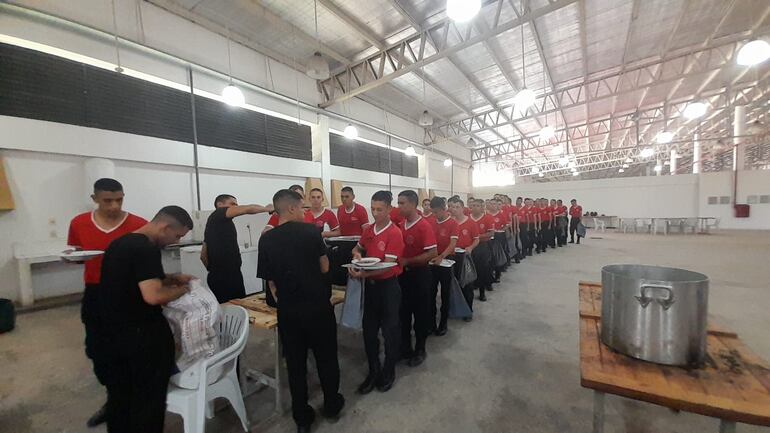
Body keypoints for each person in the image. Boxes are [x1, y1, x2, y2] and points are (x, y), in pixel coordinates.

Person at [96, 206, 195, 433]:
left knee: (121, 397)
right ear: (165, 226)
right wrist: (183, 290)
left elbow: (136, 279)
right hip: (142, 338)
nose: (175, 241)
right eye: (177, 235)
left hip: (113, 336)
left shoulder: (119, 244)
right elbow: (153, 295)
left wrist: (171, 278)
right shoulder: (146, 248)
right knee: (148, 401)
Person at [257, 190, 344, 433]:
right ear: (293, 208)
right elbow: (325, 266)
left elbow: (270, 282)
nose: (306, 211)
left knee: (295, 364)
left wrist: (284, 300)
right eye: (303, 208)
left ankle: (302, 417)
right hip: (317, 307)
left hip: (288, 312)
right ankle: (331, 405)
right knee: (326, 357)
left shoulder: (266, 239)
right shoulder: (311, 232)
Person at [66, 178, 147, 428]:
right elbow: (75, 252)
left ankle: (124, 402)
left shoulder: (138, 224)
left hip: (129, 293)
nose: (114, 206)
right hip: (96, 292)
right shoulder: (79, 223)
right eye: (107, 201)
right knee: (97, 350)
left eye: (119, 200)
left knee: (130, 350)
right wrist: (72, 258)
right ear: (95, 199)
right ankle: (114, 397)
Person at [349, 191, 404, 394]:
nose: (375, 213)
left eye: (380, 209)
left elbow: (388, 266)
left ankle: (388, 371)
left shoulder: (394, 233)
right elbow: (359, 247)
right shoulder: (370, 229)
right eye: (372, 209)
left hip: (388, 287)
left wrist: (361, 274)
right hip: (371, 287)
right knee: (369, 332)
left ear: (389, 209)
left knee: (390, 331)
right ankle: (373, 371)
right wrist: (356, 254)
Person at [201, 194, 272, 303]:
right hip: (225, 278)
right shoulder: (218, 214)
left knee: (231, 308)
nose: (235, 207)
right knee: (234, 307)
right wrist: (268, 208)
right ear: (220, 204)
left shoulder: (216, 223)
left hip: (223, 275)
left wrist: (214, 271)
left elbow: (203, 255)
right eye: (232, 204)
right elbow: (248, 208)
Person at [397, 190, 437, 367]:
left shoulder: (424, 226)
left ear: (413, 204)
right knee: (403, 313)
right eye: (398, 203)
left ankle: (420, 349)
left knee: (420, 314)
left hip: (420, 275)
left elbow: (432, 253)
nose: (399, 206)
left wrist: (408, 261)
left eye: (402, 203)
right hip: (403, 275)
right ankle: (405, 347)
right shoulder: (400, 224)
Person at [427, 196, 459, 336]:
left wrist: (441, 256)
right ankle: (431, 322)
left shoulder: (453, 223)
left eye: (436, 212)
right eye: (432, 212)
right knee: (430, 293)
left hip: (446, 260)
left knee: (445, 293)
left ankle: (443, 323)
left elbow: (452, 244)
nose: (434, 215)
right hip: (433, 260)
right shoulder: (431, 222)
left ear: (443, 209)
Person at [449, 197, 479, 317]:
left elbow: (476, 239)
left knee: (467, 283)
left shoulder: (471, 222)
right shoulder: (451, 222)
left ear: (463, 208)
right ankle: (455, 308)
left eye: (457, 207)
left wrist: (470, 248)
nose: (454, 209)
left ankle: (468, 310)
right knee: (454, 283)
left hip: (465, 256)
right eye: (452, 207)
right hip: (452, 256)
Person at [469, 199, 495, 301]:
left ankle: (482, 292)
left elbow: (491, 233)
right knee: (471, 269)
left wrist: (477, 237)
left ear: (482, 207)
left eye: (477, 206)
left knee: (482, 270)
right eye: (473, 205)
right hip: (470, 247)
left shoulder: (487, 218)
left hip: (482, 247)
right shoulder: (468, 218)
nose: (475, 207)